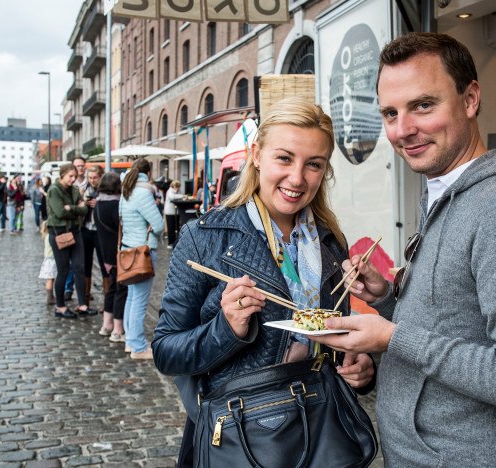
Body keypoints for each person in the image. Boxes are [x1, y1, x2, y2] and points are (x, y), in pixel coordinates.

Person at [310, 33, 496, 467]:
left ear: (470, 99)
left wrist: (392, 338)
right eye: (390, 113)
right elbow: (455, 321)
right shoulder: (441, 189)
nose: (403, 130)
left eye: (423, 105)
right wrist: (388, 299)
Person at [152, 97, 375, 467]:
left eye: (314, 164)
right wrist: (227, 328)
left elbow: (336, 340)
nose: (297, 178)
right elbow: (166, 351)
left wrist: (360, 368)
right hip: (243, 436)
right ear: (256, 154)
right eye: (284, 158)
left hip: (321, 431)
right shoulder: (203, 237)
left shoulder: (330, 241)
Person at [119, 158, 164, 360]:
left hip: (128, 248)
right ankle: (137, 347)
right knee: (139, 300)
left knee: (131, 297)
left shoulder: (126, 191)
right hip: (143, 251)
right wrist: (152, 227)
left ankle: (131, 340)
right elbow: (159, 224)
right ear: (148, 171)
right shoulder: (143, 193)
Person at [47, 164, 97, 319]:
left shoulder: (74, 190)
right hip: (60, 233)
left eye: (74, 176)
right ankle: (60, 307)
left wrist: (71, 208)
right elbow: (60, 212)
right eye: (70, 176)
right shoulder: (54, 190)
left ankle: (82, 305)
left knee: (79, 268)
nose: (73, 179)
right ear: (62, 175)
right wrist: (74, 208)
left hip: (75, 232)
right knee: (63, 270)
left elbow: (84, 210)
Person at [93, 172, 128, 344]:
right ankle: (118, 329)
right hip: (119, 252)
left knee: (112, 289)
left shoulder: (98, 205)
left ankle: (106, 325)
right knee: (121, 290)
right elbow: (122, 228)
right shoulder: (117, 205)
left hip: (105, 253)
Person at [81, 165, 108, 303]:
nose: (92, 180)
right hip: (85, 230)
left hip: (100, 231)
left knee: (104, 264)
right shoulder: (83, 190)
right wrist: (83, 203)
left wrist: (99, 204)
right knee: (86, 263)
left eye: (95, 178)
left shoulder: (106, 191)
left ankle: (107, 301)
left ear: (101, 177)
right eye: (90, 178)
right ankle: (85, 298)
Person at [38, 220, 57, 305]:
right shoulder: (50, 237)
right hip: (51, 260)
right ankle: (49, 297)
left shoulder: (46, 236)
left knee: (50, 279)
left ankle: (50, 296)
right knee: (50, 279)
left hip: (48, 260)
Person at [163, 180, 184, 248]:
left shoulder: (177, 191)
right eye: (177, 187)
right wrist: (182, 196)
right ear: (174, 186)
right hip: (170, 212)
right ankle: (170, 242)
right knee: (171, 227)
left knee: (176, 227)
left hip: (175, 212)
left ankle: (175, 241)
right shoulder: (170, 191)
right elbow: (172, 197)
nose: (178, 188)